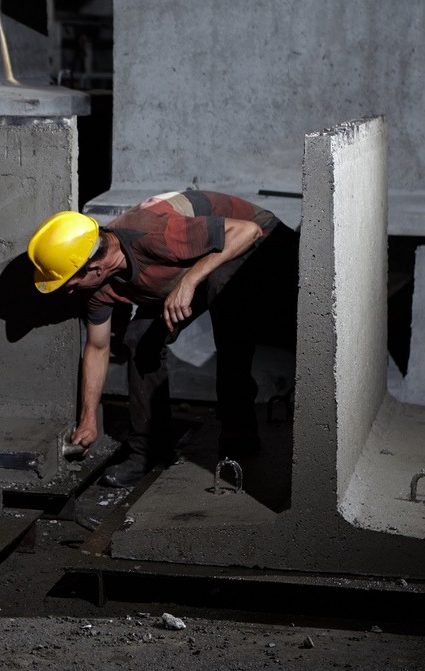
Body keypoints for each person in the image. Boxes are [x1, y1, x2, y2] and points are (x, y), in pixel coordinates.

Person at [27, 191, 296, 487]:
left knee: (224, 293)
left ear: (95, 267)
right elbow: (98, 346)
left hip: (265, 245)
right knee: (141, 338)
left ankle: (239, 431)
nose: (68, 290)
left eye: (69, 282)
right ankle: (148, 450)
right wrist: (88, 418)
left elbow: (248, 231)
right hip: (201, 260)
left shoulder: (154, 235)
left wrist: (189, 283)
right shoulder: (96, 288)